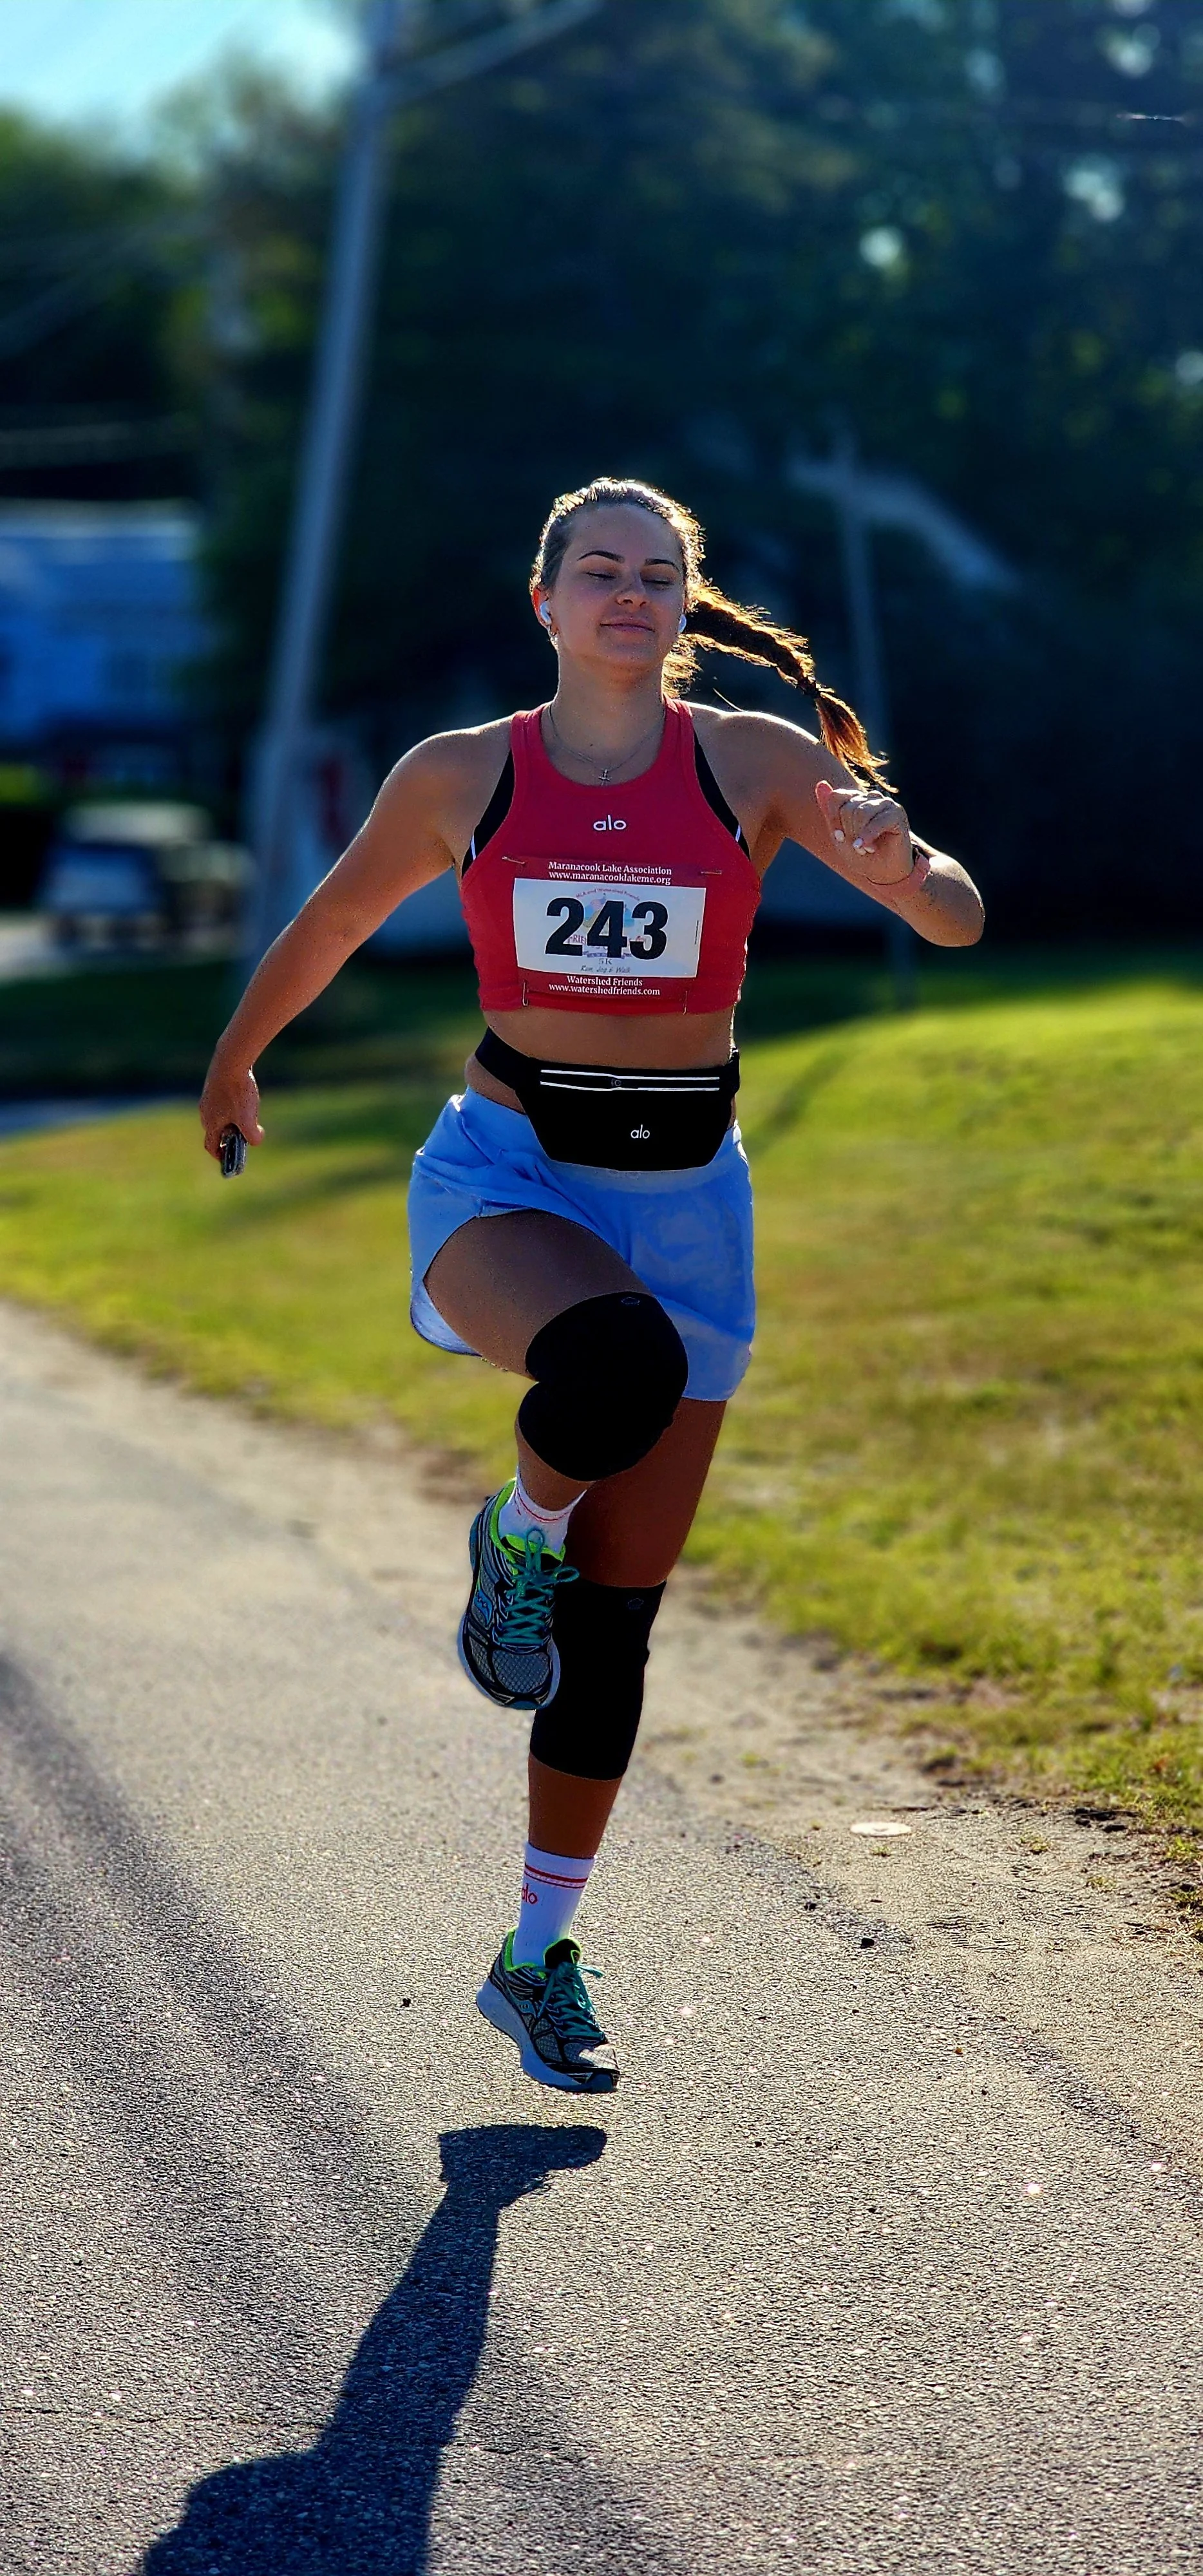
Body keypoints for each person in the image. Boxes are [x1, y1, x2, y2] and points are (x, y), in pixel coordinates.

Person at [200, 475, 984, 2096]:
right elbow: (337, 915)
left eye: (658, 577)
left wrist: (908, 865)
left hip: (689, 1196)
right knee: (610, 1367)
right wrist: (236, 1059)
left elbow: (957, 915)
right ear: (545, 597)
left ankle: (536, 1949)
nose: (629, 594)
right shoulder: (465, 772)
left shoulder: (754, 762)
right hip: (508, 1169)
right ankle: (516, 1530)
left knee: (617, 1629)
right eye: (600, 570)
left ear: (682, 613)